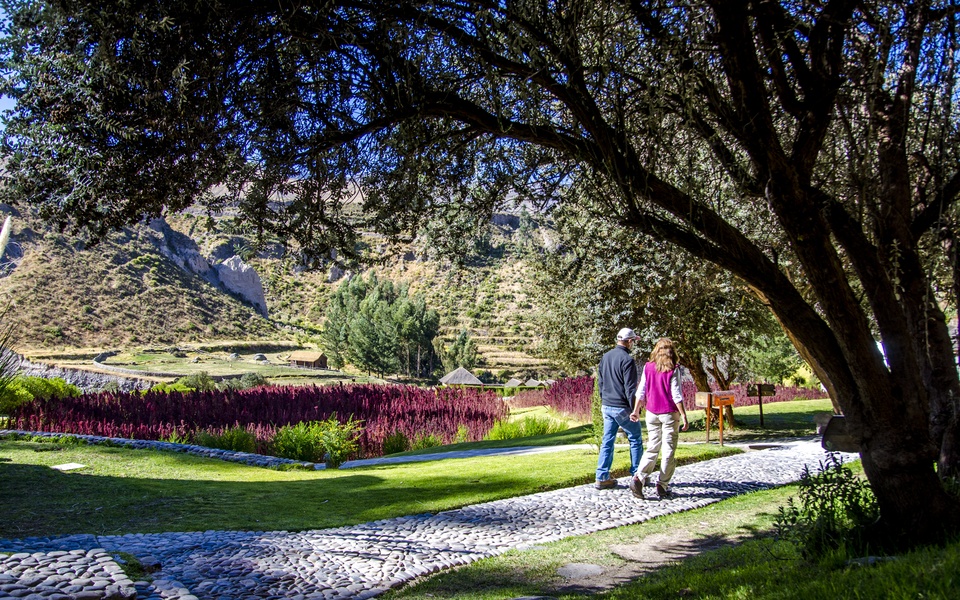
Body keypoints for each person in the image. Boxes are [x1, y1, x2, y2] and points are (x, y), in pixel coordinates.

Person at [629, 338, 689, 499]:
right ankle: (662, 485)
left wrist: (636, 410)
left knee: (652, 447)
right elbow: (676, 394)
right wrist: (683, 415)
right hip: (669, 413)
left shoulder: (648, 367)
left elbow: (641, 390)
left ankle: (639, 478)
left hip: (651, 412)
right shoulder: (673, 369)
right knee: (668, 450)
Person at [594, 327, 645, 489]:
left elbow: (600, 383)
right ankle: (637, 475)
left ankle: (602, 476)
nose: (633, 344)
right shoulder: (627, 360)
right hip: (622, 406)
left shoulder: (606, 357)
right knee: (635, 438)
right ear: (629, 341)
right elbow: (630, 389)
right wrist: (635, 409)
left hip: (607, 405)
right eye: (633, 341)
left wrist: (604, 399)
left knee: (607, 441)